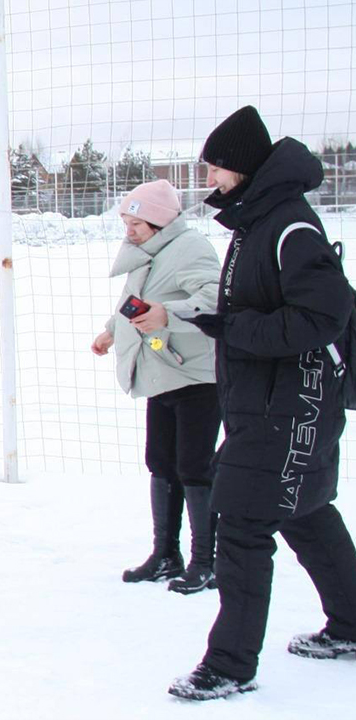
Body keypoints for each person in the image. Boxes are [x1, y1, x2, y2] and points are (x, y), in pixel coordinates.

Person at [169, 106, 356, 701]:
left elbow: (325, 314)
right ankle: (352, 625)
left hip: (288, 405)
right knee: (305, 511)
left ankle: (229, 665)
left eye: (217, 169)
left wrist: (234, 329)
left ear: (244, 169)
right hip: (275, 404)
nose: (211, 182)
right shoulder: (260, 222)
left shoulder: (288, 227)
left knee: (244, 526)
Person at [92, 179, 222, 595]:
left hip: (196, 377)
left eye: (135, 222)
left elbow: (216, 298)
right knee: (160, 463)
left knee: (194, 468)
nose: (128, 230)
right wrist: (112, 331)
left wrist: (169, 313)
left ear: (159, 220)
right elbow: (133, 301)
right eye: (126, 222)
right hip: (161, 372)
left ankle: (206, 562)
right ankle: (166, 554)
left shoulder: (190, 248)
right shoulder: (149, 253)